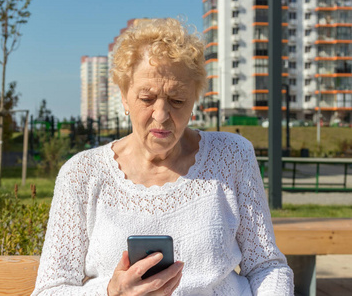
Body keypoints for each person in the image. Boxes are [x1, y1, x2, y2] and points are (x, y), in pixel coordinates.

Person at [32, 18, 294, 295]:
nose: (161, 115)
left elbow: (267, 266)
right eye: (147, 98)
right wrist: (111, 293)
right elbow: (50, 289)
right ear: (123, 96)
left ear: (195, 99)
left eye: (177, 100)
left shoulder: (233, 156)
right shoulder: (82, 173)